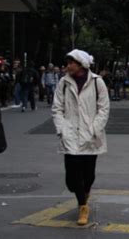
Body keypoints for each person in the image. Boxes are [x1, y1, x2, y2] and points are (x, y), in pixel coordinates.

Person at [52, 49, 110, 226]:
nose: (68, 66)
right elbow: (57, 108)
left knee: (88, 175)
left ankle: (83, 201)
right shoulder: (63, 83)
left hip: (91, 136)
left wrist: (94, 129)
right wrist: (61, 129)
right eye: (67, 62)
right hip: (69, 135)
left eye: (71, 62)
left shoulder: (97, 82)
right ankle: (83, 204)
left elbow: (104, 108)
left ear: (81, 64)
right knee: (71, 179)